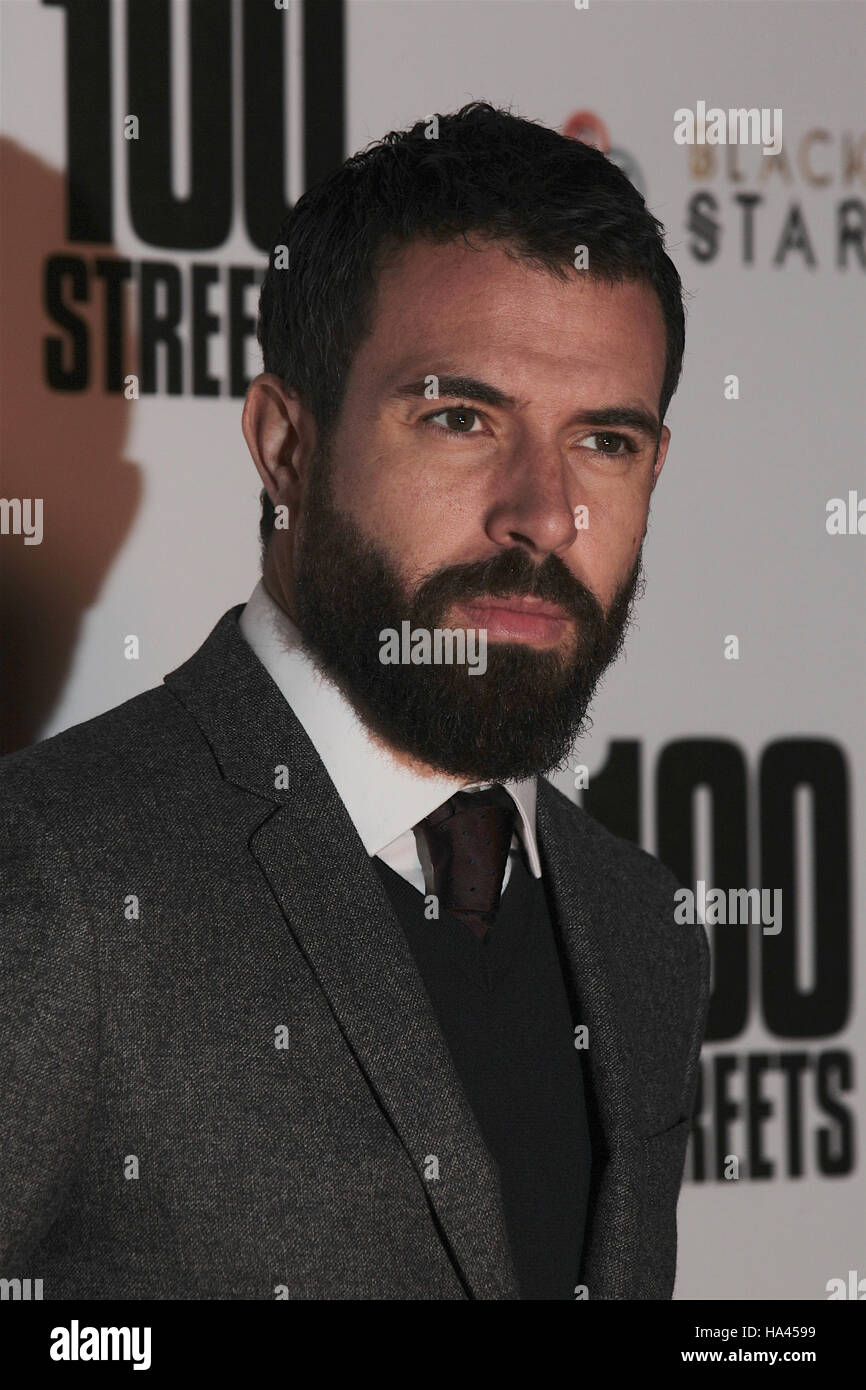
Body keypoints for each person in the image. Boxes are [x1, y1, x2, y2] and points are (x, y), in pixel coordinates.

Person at [0, 102, 709, 1300]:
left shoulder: (638, 925)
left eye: (603, 441)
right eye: (457, 417)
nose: (541, 513)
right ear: (284, 447)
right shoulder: (54, 874)